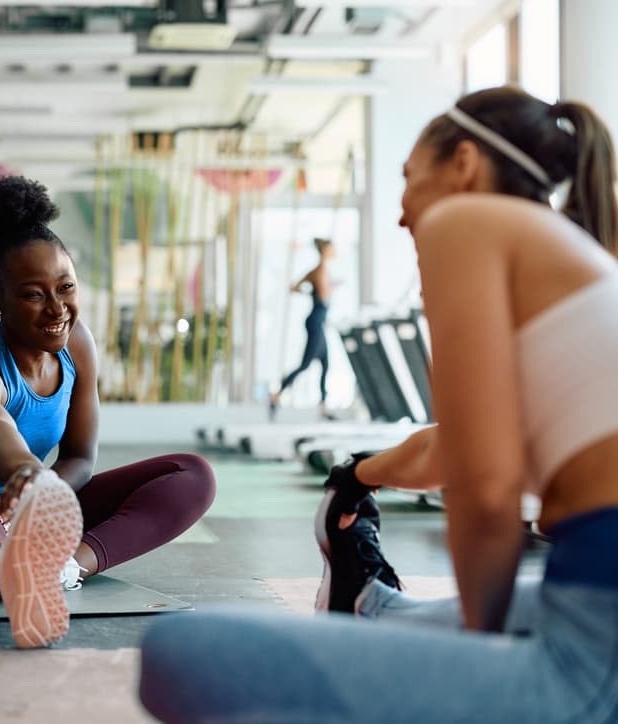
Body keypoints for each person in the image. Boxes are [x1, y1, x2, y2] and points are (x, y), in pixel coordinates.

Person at [139, 85, 618, 722]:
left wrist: (476, 666)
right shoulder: (575, 258)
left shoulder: (467, 222)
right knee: (410, 621)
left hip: (596, 639)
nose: (400, 214)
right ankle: (371, 603)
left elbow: (487, 490)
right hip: (587, 597)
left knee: (180, 653)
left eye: (406, 178)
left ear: (466, 165)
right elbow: (452, 448)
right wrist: (357, 476)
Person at [0, 175, 216, 649]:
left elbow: (80, 457)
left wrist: (41, 495)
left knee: (192, 473)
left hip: (29, 505)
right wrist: (26, 477)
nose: (57, 308)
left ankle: (63, 568)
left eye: (66, 287)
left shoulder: (77, 347)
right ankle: (6, 567)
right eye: (34, 294)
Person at [269, 237, 335, 419]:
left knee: (325, 363)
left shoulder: (322, 271)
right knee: (306, 364)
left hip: (319, 320)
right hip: (315, 319)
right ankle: (277, 394)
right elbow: (296, 288)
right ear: (325, 250)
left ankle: (323, 405)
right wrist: (311, 292)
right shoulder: (318, 271)